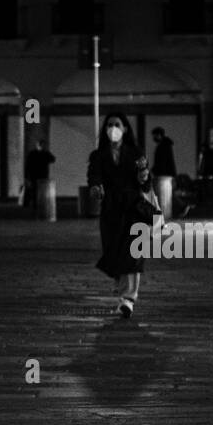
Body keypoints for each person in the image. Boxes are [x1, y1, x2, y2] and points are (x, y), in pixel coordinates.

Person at [88, 113, 159, 318]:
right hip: (111, 210)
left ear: (125, 128)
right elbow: (94, 175)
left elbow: (146, 183)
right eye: (109, 125)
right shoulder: (98, 155)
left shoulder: (136, 153)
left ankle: (128, 298)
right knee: (114, 252)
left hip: (134, 208)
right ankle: (122, 292)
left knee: (133, 253)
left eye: (117, 124)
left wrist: (143, 177)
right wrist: (96, 188)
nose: (113, 128)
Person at [23, 139, 56, 211]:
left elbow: (53, 159)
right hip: (38, 175)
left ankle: (36, 204)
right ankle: (37, 204)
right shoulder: (38, 153)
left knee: (37, 190)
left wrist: (26, 176)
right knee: (37, 190)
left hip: (38, 175)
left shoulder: (36, 153)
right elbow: (52, 159)